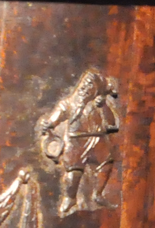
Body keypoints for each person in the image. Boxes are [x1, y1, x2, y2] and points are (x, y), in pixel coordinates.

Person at [37, 69, 121, 216]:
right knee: (74, 171)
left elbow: (112, 124)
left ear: (96, 91)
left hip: (96, 139)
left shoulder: (97, 104)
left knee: (106, 164)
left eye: (91, 86)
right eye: (85, 84)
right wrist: (49, 123)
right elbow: (58, 114)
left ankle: (98, 194)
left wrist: (104, 106)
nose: (85, 88)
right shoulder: (69, 103)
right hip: (75, 141)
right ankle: (70, 199)